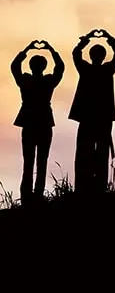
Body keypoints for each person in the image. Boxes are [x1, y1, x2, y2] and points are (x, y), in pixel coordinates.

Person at [69, 29, 115, 194]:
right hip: (102, 118)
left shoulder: (86, 68)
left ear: (91, 56)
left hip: (88, 118)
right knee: (100, 153)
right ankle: (98, 186)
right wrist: (110, 39)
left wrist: (85, 40)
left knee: (84, 152)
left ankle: (83, 187)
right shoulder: (107, 69)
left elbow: (76, 54)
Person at [11, 40, 65, 205]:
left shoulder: (25, 80)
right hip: (43, 123)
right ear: (44, 67)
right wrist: (52, 50)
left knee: (29, 162)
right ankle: (37, 196)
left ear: (31, 66)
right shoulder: (48, 81)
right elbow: (60, 68)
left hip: (30, 123)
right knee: (41, 162)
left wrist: (27, 49)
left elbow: (14, 66)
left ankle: (27, 197)